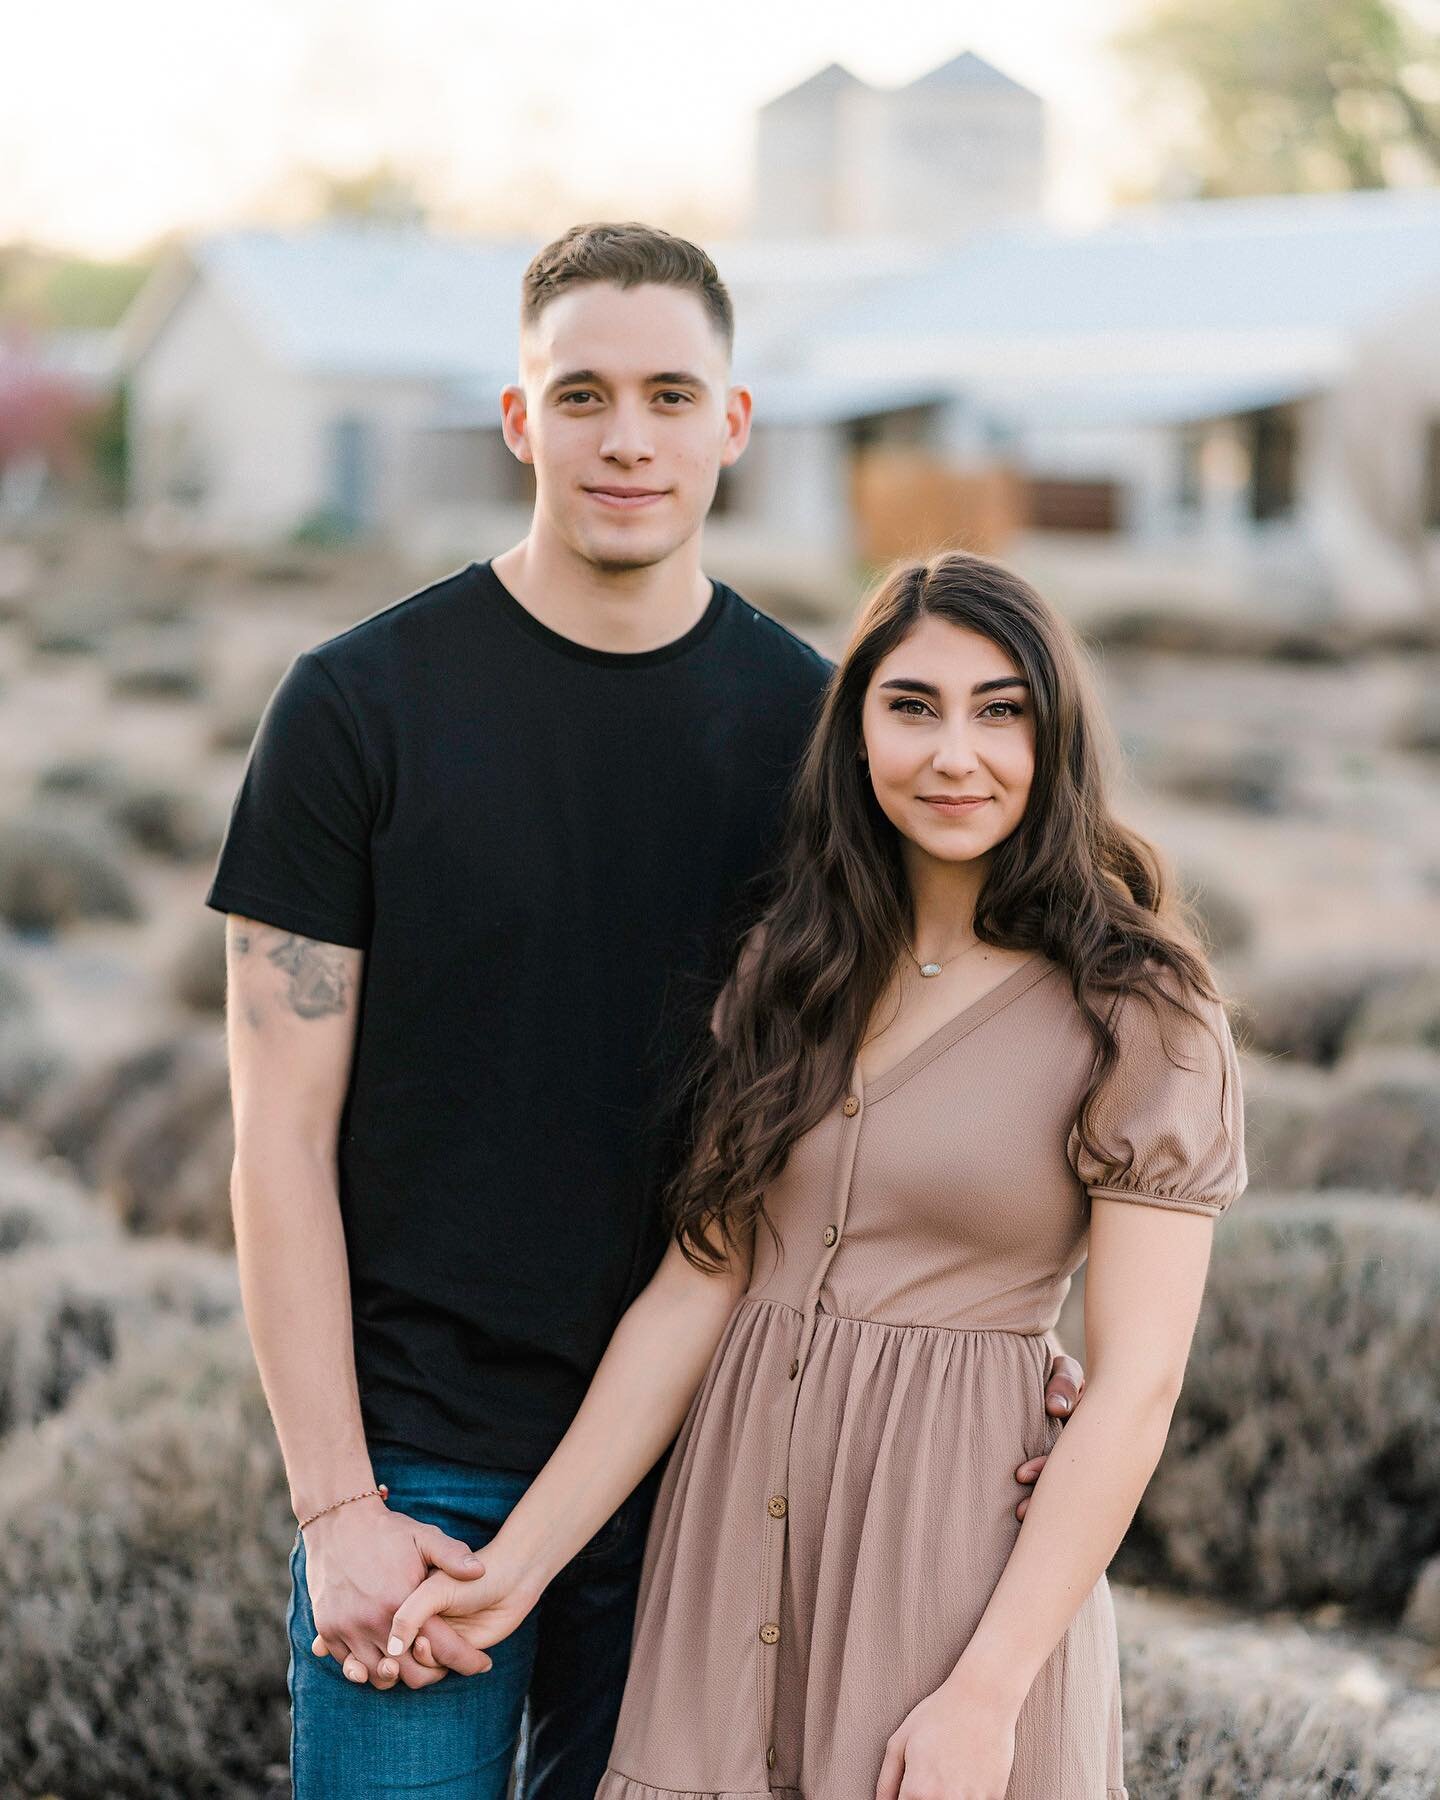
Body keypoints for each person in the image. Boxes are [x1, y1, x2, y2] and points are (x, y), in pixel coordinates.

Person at [207, 226, 1086, 1800]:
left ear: (733, 423)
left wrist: (1001, 1315)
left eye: (672, 394)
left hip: (735, 1461)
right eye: (586, 392)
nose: (629, 437)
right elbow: (277, 1137)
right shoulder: (354, 709)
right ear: (518, 415)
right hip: (421, 1467)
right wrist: (335, 1502)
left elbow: (938, 1050)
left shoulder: (824, 741)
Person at [383, 549, 1249, 1799]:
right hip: (727, 1563)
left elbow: (1137, 1383)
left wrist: (985, 1694)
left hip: (948, 1580)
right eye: (913, 707)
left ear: (1055, 740)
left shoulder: (1140, 1011)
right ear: (853, 736)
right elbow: (695, 1292)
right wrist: (518, 1567)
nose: (956, 753)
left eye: (1001, 711)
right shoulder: (788, 974)